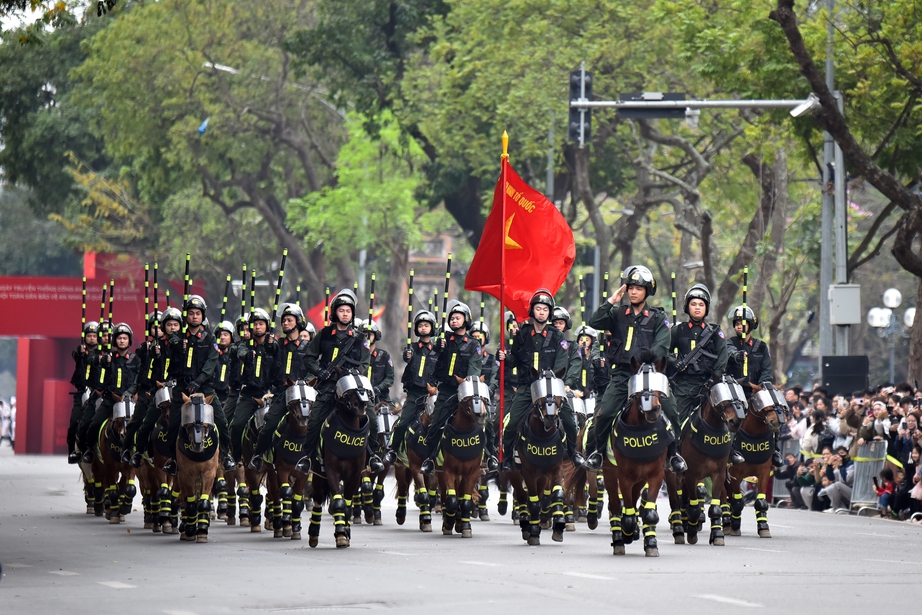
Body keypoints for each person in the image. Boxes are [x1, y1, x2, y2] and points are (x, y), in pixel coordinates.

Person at [584, 266, 686, 473]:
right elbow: (594, 322)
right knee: (604, 414)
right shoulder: (617, 313)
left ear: (647, 291)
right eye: (630, 287)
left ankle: (674, 454)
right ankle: (597, 452)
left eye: (638, 288)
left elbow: (662, 343)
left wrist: (647, 362)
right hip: (623, 374)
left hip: (650, 374)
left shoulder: (658, 317)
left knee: (672, 411)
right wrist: (611, 301)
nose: (633, 292)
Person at [296, 289, 384, 474]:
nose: (345, 314)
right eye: (341, 310)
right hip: (329, 386)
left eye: (348, 311)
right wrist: (320, 371)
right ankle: (308, 458)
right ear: (335, 312)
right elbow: (309, 358)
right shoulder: (324, 334)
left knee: (373, 421)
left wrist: (354, 373)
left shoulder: (360, 337)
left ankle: (372, 456)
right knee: (314, 421)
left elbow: (365, 363)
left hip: (353, 386)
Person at [497, 291, 582, 472]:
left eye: (545, 309)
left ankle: (573, 451)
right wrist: (505, 356)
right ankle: (508, 457)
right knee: (511, 424)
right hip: (528, 388)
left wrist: (553, 378)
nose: (541, 312)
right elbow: (515, 360)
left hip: (551, 388)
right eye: (538, 309)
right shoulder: (523, 334)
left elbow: (561, 363)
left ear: (549, 313)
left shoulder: (557, 336)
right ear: (532, 311)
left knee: (569, 418)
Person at [162, 295, 235, 475]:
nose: (194, 317)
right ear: (186, 316)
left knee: (222, 422)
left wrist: (199, 380)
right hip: (182, 389)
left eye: (198, 314)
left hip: (205, 388)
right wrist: (177, 347)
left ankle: (226, 455)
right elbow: (168, 363)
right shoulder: (177, 338)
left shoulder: (210, 339)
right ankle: (173, 459)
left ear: (202, 316)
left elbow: (211, 363)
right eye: (191, 313)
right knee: (172, 425)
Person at [421, 301, 482, 476]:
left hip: (467, 390)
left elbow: (475, 367)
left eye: (458, 318)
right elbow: (431, 357)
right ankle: (430, 459)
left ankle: (489, 455)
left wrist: (467, 381)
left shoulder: (473, 344)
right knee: (435, 425)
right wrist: (438, 348)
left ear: (466, 320)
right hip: (447, 390)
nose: (454, 321)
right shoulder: (444, 340)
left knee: (484, 422)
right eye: (452, 318)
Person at [249, 303, 311, 470]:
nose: (285, 323)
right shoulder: (277, 345)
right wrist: (267, 347)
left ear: (298, 322)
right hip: (282, 393)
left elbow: (314, 370)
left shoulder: (308, 347)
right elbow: (268, 363)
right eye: (283, 320)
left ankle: (317, 458)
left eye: (289, 320)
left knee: (320, 422)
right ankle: (259, 455)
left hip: (304, 394)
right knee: (269, 423)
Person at [81, 323, 140, 463]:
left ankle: (139, 452)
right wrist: (102, 362)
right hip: (110, 400)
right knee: (94, 424)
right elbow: (94, 370)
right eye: (119, 338)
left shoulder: (136, 359)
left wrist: (132, 393)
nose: (122, 341)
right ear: (115, 341)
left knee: (141, 425)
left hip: (130, 401)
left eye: (125, 338)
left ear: (129, 341)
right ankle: (89, 450)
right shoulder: (107, 358)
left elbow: (139, 379)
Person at [385, 310, 438, 464]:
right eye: (420, 325)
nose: (423, 328)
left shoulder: (437, 350)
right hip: (414, 395)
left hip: (431, 396)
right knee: (402, 423)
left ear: (432, 328)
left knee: (440, 424)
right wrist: (407, 356)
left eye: (426, 325)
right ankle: (393, 450)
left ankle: (436, 455)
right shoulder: (412, 348)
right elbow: (405, 358)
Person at [230, 307, 278, 467]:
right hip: (250, 394)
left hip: (271, 393)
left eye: (261, 324)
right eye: (255, 324)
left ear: (267, 326)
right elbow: (238, 351)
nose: (258, 327)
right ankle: (236, 458)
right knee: (236, 425)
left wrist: (272, 348)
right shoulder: (245, 345)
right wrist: (246, 355)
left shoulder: (274, 345)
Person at [121, 312, 164, 464]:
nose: (157, 330)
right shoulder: (144, 349)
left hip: (162, 392)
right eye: (154, 327)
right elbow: (140, 373)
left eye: (160, 327)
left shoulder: (170, 347)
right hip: (145, 392)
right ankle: (129, 450)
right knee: (135, 422)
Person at [67, 321, 102, 463]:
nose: (92, 338)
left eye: (94, 336)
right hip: (82, 392)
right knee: (75, 421)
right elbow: (75, 354)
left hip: (97, 392)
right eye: (89, 336)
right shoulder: (80, 352)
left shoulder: (102, 353)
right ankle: (72, 451)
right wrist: (81, 353)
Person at [470, 320, 499, 470]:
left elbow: (495, 377)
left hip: (485, 398)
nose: (476, 338)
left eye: (479, 336)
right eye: (473, 336)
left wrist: (490, 389)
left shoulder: (493, 359)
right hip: (468, 397)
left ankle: (490, 454)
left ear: (485, 338)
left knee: (489, 425)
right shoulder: (466, 355)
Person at [364, 320, 394, 404]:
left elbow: (390, 378)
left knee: (395, 416)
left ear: (376, 336)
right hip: (361, 397)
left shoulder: (384, 356)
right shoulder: (356, 356)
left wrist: (379, 388)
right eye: (365, 335)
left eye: (370, 335)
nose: (367, 337)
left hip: (381, 397)